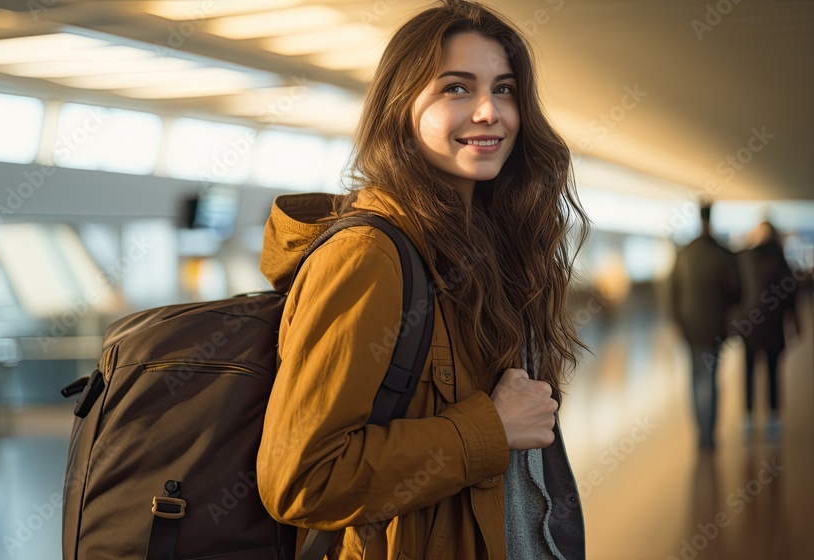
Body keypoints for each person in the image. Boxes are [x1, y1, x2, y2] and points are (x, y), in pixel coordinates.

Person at [255, 1, 588, 558]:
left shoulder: (492, 248)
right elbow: (302, 476)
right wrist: (490, 429)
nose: (490, 112)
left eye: (504, 89)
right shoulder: (370, 255)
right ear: (400, 107)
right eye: (456, 88)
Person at [669, 203, 741, 450]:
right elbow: (736, 293)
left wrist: (677, 321)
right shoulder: (723, 253)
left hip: (690, 327)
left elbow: (672, 291)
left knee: (695, 377)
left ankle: (701, 431)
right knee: (710, 378)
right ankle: (709, 433)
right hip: (716, 327)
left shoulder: (684, 253)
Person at [736, 221, 800, 440]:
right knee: (773, 372)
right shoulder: (780, 259)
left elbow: (736, 293)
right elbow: (791, 295)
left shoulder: (745, 258)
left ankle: (748, 419)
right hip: (773, 326)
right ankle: (773, 418)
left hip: (750, 327)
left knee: (749, 372)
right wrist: (797, 324)